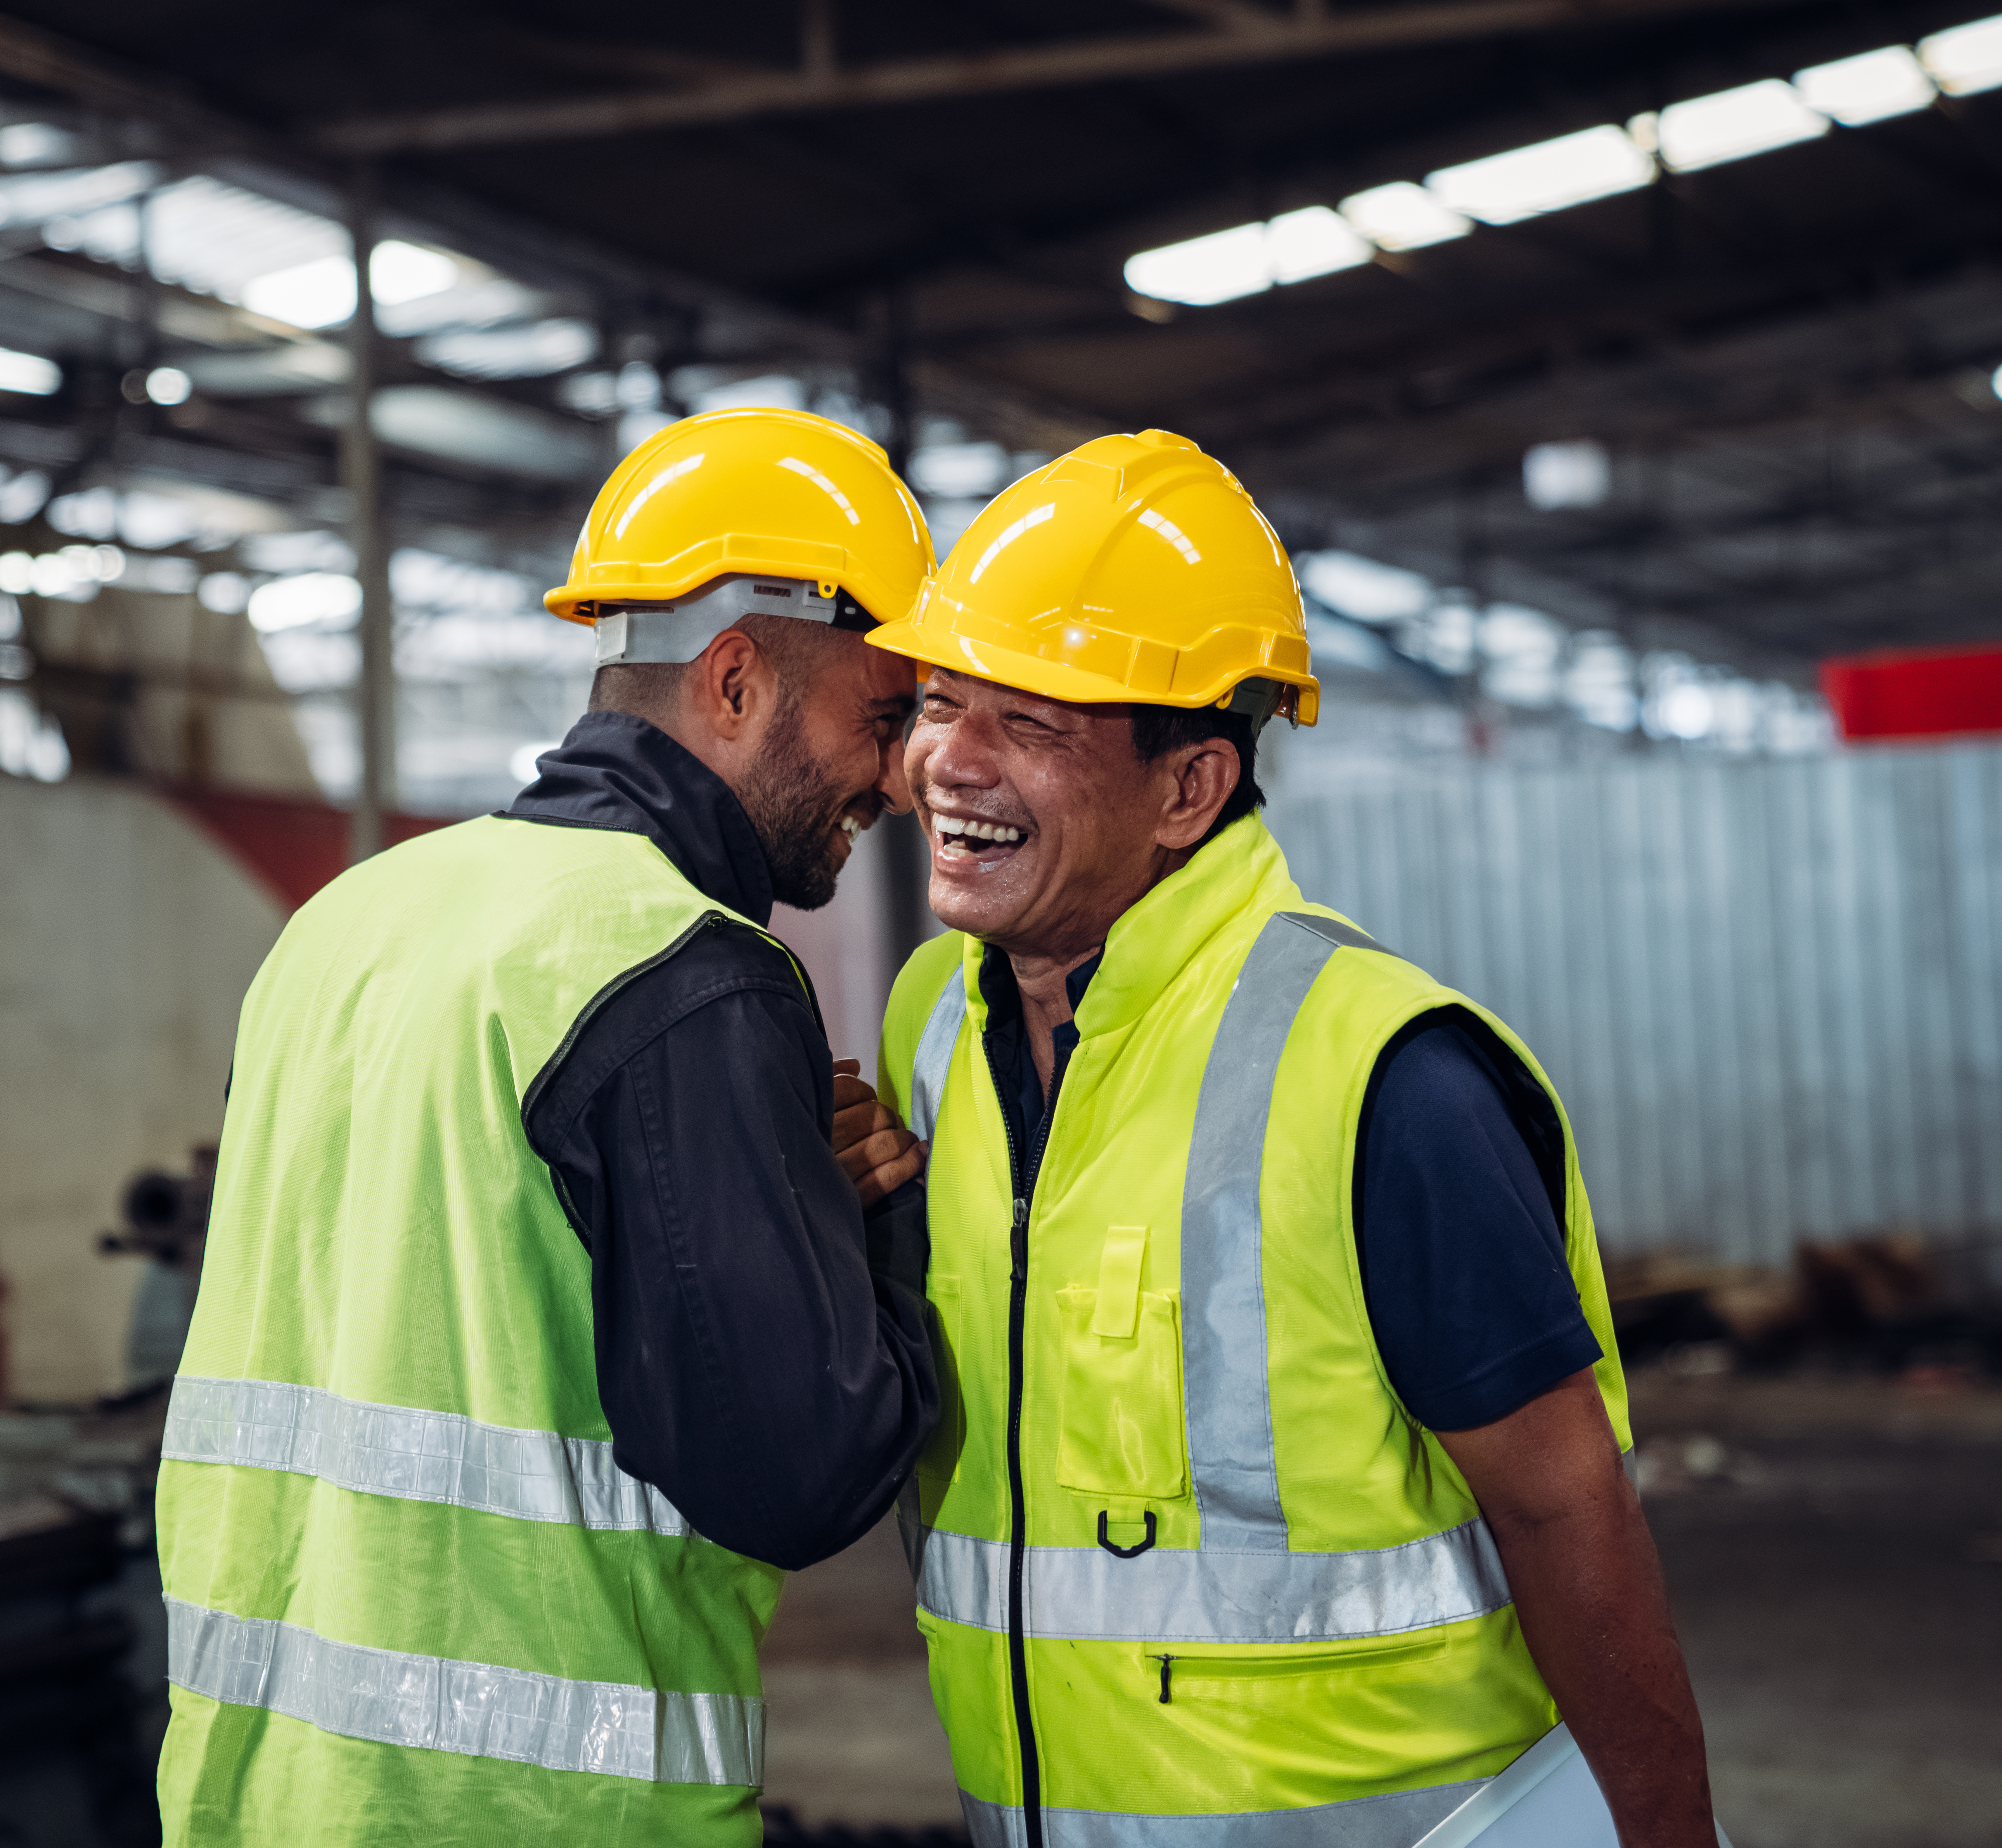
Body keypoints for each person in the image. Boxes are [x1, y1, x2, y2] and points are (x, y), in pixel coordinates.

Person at [855, 431, 1716, 1846]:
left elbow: (1570, 1513)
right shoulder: (929, 1032)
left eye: (1033, 722)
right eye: (944, 701)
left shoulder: (1384, 1075)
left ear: (1190, 789)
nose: (954, 761)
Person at [156, 408, 943, 1847]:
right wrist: (864, 1235)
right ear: (735, 678)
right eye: (883, 717)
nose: (898, 779)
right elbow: (794, 1470)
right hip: (537, 1808)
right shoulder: (685, 971)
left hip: (262, 1797)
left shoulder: (353, 921)